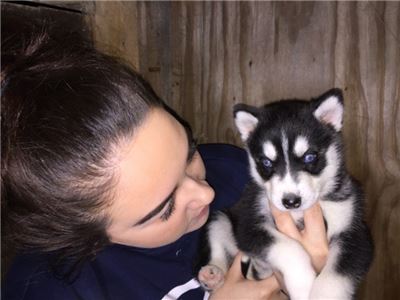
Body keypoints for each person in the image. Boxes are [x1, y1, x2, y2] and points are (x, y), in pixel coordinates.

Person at [1, 23, 328, 300]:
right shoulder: (50, 288)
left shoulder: (234, 169)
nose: (206, 194)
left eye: (189, 154)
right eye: (165, 208)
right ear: (82, 237)